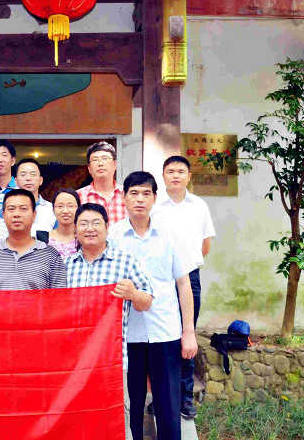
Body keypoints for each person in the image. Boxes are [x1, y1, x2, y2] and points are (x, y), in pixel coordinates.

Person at [109, 171, 198, 440]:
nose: (140, 199)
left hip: (165, 331)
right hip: (127, 336)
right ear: (124, 198)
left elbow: (184, 284)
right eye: (134, 193)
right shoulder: (112, 236)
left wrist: (189, 332)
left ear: (154, 198)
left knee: (168, 405)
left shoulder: (170, 234)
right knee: (131, 406)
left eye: (146, 193)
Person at [65, 203, 154, 440]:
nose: (90, 228)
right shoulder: (66, 266)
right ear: (75, 229)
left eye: (96, 223)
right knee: (76, 417)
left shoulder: (125, 262)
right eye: (84, 223)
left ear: (107, 226)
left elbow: (147, 301)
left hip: (112, 360)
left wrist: (133, 294)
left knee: (115, 418)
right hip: (74, 360)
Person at [153, 155, 216, 419]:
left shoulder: (199, 205)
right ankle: (161, 398)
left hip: (189, 277)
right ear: (163, 176)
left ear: (189, 176)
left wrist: (187, 263)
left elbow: (205, 244)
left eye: (181, 171)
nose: (176, 175)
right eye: (170, 171)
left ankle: (185, 398)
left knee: (187, 335)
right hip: (160, 278)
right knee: (162, 338)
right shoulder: (155, 206)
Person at [0, 189, 66, 290]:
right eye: (11, 209)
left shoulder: (51, 256)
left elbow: (60, 296)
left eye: (23, 209)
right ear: (3, 215)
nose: (17, 214)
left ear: (34, 215)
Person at [77, 141, 126, 225]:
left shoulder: (128, 194)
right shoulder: (78, 196)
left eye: (105, 158)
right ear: (89, 168)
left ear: (115, 165)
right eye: (95, 160)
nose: (100, 164)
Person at [14, 158, 56, 236]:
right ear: (16, 181)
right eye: (23, 175)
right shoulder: (8, 209)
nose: (28, 178)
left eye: (33, 174)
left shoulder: (53, 210)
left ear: (40, 180)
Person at [48, 189, 80, 260]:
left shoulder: (84, 238)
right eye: (60, 206)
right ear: (53, 210)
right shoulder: (43, 239)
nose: (65, 211)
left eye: (70, 206)